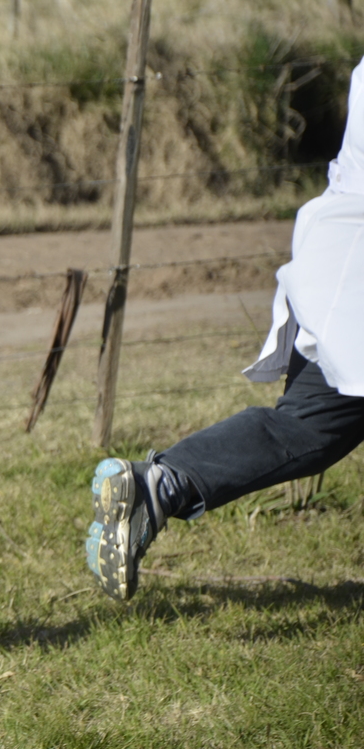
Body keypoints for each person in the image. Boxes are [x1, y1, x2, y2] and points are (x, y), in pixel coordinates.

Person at [86, 54, 364, 602]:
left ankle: (159, 485)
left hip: (341, 264)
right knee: (311, 426)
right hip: (351, 275)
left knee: (309, 426)